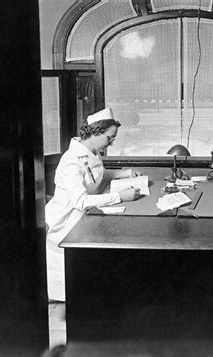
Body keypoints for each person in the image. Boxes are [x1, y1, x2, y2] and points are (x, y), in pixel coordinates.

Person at [45, 108, 142, 301]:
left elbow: (98, 177)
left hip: (83, 216)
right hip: (66, 223)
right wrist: (119, 196)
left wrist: (124, 173)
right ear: (96, 133)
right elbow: (80, 201)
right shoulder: (72, 161)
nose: (112, 143)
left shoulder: (91, 152)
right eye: (109, 138)